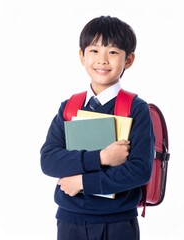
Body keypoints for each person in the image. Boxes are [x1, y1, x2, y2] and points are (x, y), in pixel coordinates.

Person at [40, 15, 155, 240]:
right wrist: (102, 157)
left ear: (129, 60)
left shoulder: (136, 109)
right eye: (94, 51)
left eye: (112, 52)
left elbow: (139, 170)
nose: (102, 60)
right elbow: (49, 160)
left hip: (117, 222)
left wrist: (82, 182)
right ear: (82, 56)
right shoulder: (70, 107)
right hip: (69, 219)